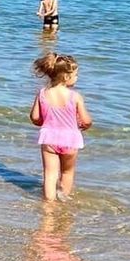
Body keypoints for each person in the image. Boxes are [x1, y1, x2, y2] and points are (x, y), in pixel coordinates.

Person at [30, 53, 92, 202]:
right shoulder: (75, 96)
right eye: (75, 74)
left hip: (49, 139)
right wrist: (84, 125)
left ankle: (49, 203)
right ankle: (63, 199)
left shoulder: (43, 94)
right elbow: (86, 120)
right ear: (66, 77)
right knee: (67, 172)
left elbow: (35, 118)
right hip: (70, 140)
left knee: (50, 174)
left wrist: (45, 122)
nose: (77, 77)